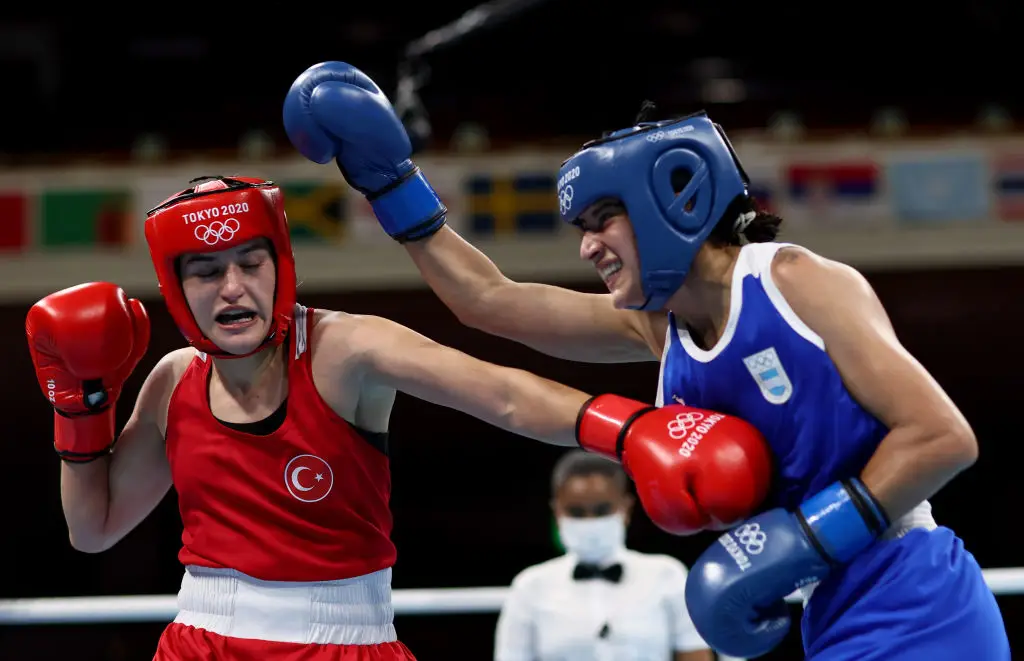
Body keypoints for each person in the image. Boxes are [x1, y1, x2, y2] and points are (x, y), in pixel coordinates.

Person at [281, 61, 1011, 660]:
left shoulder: (795, 283)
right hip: (832, 606)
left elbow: (943, 436)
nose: (588, 247)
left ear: (671, 199)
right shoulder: (661, 333)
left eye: (603, 220)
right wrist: (389, 182)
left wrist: (803, 537)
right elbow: (488, 301)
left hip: (914, 595)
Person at [25, 175, 772, 661]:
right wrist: (80, 411)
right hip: (203, 641)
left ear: (281, 264)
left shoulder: (346, 349)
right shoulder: (173, 381)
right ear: (176, 286)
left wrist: (633, 429)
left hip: (348, 640)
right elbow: (92, 529)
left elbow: (500, 391)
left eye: (250, 262)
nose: (233, 289)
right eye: (206, 271)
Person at [494, 450, 713, 661]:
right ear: (557, 512)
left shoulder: (667, 575)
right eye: (576, 512)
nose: (590, 521)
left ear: (625, 508)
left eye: (601, 511)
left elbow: (695, 655)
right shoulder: (530, 586)